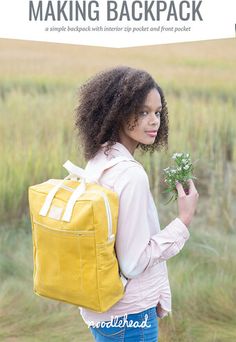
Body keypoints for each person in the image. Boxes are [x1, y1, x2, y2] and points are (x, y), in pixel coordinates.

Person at [74, 66, 199, 341]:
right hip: (129, 318)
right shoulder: (131, 174)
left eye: (157, 112)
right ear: (118, 111)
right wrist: (183, 220)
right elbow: (132, 263)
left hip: (103, 310)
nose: (153, 121)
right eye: (142, 112)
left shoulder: (100, 158)